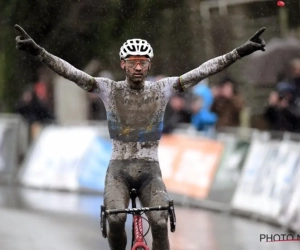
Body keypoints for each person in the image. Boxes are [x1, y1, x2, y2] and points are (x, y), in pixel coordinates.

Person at [14, 24, 266, 250]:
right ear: (123, 64)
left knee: (159, 220)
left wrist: (240, 51)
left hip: (149, 169)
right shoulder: (108, 88)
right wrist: (39, 51)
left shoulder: (162, 88)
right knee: (115, 218)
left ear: (149, 65)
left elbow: (201, 71)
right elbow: (71, 73)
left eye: (143, 62)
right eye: (133, 61)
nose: (138, 67)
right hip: (118, 170)